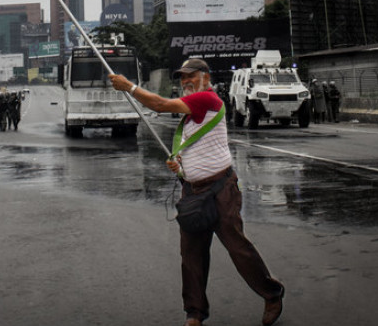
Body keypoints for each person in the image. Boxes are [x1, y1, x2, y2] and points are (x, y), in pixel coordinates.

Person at [109, 58, 284, 326]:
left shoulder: (207, 99)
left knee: (238, 247)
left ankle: (272, 294)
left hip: (221, 189)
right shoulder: (192, 114)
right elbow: (196, 148)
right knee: (191, 256)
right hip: (193, 192)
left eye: (190, 76)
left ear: (205, 76)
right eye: (182, 78)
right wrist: (179, 165)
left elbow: (160, 104)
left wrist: (129, 87)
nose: (185, 82)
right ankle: (194, 312)